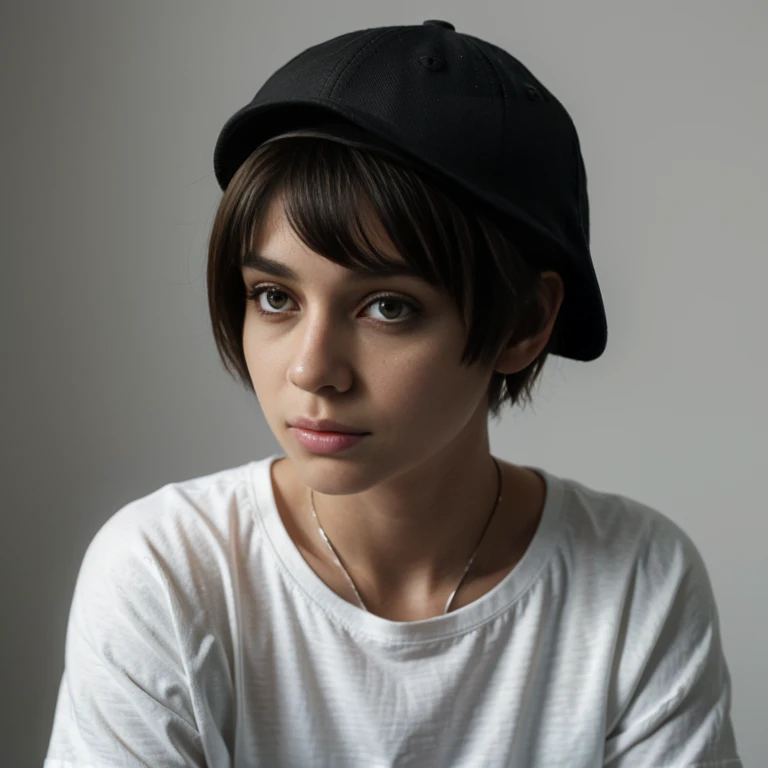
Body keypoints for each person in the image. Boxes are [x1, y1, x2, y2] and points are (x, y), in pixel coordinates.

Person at [44, 20, 743, 768]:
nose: (313, 370)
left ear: (527, 321)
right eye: (274, 297)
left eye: (387, 307)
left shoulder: (635, 580)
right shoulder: (168, 571)